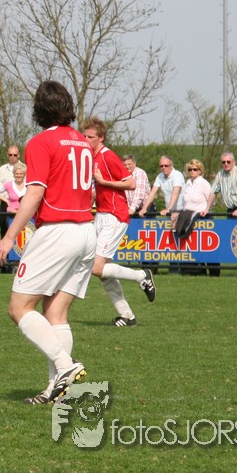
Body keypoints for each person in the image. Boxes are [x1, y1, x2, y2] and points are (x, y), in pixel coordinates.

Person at [0, 81, 95, 406]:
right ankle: (56, 390)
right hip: (86, 232)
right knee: (56, 312)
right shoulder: (82, 142)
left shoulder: (40, 142)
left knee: (18, 308)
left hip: (57, 231)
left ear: (39, 109)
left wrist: (9, 237)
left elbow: (35, 192)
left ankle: (66, 366)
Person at [82, 117, 156, 327]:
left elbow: (130, 183)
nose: (86, 140)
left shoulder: (108, 156)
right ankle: (127, 316)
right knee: (101, 271)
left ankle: (142, 275)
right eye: (84, 136)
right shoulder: (93, 157)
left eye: (90, 137)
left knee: (96, 268)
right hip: (102, 214)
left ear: (101, 138)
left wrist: (104, 182)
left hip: (115, 215)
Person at [178, 159, 213, 275]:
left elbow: (211, 200)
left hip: (201, 218)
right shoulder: (187, 183)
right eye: (190, 169)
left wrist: (206, 210)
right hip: (188, 217)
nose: (192, 171)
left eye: (195, 169)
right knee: (190, 246)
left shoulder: (204, 183)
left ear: (200, 171)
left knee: (204, 247)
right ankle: (192, 270)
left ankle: (211, 271)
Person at [0, 146, 22, 238]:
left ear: (19, 155)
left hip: (20, 204)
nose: (12, 156)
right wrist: (5, 200)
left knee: (21, 232)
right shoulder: (2, 169)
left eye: (15, 155)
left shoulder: (25, 168)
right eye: (10, 155)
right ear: (7, 155)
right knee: (4, 230)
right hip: (5, 204)